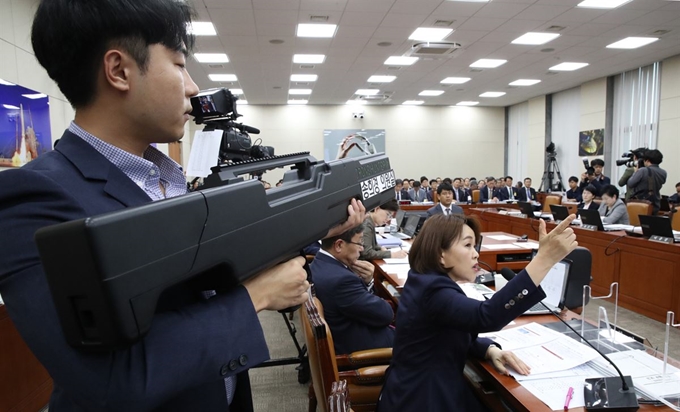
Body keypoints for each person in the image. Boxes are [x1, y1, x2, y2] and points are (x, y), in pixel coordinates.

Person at [0, 2, 365, 410]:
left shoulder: (170, 181)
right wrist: (254, 297)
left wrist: (322, 225)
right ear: (119, 70)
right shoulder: (33, 199)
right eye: (178, 63)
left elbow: (214, 269)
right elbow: (109, 378)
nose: (192, 87)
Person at [376, 214, 578, 411]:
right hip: (423, 399)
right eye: (467, 245)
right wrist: (544, 259)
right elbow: (487, 316)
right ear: (440, 255)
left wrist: (489, 349)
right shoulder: (433, 290)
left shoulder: (424, 279)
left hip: (416, 389)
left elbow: (445, 332)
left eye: (475, 245)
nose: (476, 254)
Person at [310, 224, 395, 354]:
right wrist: (372, 282)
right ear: (339, 245)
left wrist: (367, 282)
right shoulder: (341, 280)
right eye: (360, 242)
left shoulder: (318, 264)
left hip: (347, 334)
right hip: (365, 348)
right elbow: (385, 315)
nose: (361, 249)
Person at [626, 149, 667, 214]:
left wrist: (635, 172)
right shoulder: (663, 172)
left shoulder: (642, 171)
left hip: (641, 204)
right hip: (655, 204)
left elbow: (630, 183)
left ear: (647, 160)